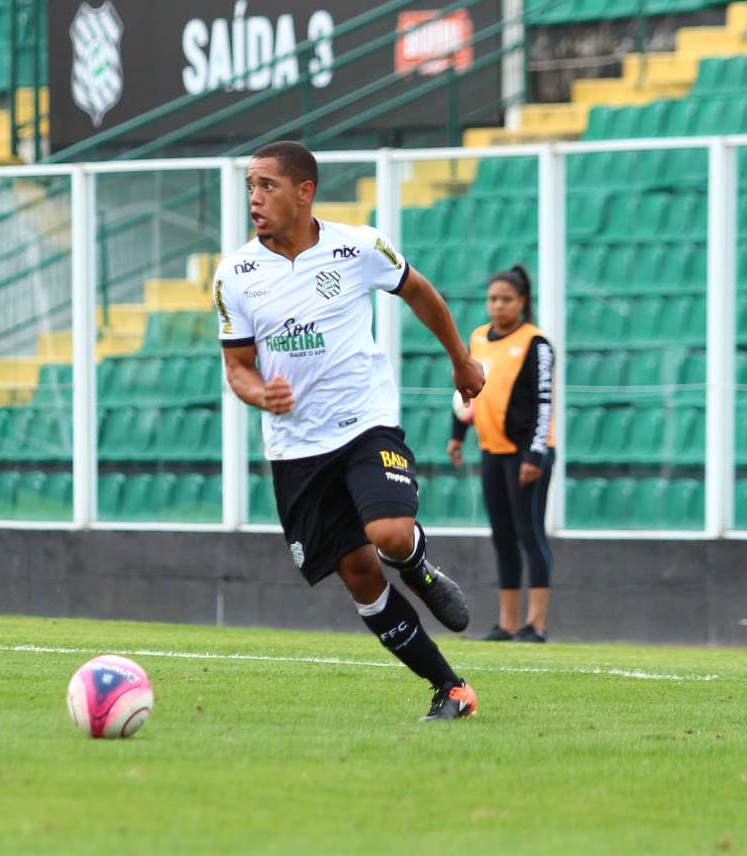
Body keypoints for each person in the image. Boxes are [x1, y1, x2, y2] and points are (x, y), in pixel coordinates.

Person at [215, 141, 486, 720]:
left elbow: (419, 291)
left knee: (388, 534)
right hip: (295, 448)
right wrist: (261, 392)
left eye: (267, 186)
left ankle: (415, 562)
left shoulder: (357, 245)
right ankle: (451, 688)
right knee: (360, 576)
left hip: (365, 423)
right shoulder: (234, 275)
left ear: (304, 191)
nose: (255, 199)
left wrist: (460, 360)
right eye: (250, 187)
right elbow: (236, 367)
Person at [447, 265, 556, 643]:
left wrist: (535, 455)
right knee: (503, 536)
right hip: (491, 449)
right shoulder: (478, 339)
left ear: (522, 302)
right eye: (493, 299)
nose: (497, 306)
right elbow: (466, 391)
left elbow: (544, 402)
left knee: (530, 534)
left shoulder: (536, 343)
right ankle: (508, 623)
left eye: (506, 299)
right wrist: (457, 434)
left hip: (526, 453)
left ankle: (536, 624)